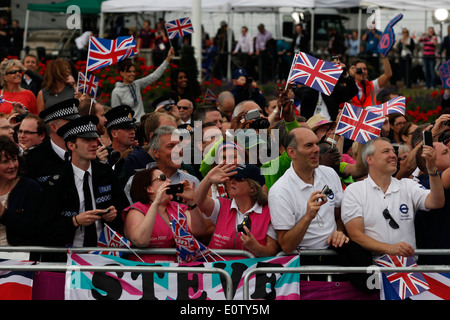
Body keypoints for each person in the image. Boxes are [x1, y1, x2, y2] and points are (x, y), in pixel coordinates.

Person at [38, 115, 126, 262]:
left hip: (104, 257)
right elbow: (45, 229)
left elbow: (123, 209)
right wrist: (74, 221)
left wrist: (113, 216)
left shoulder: (106, 173)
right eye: (87, 140)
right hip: (67, 258)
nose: (94, 144)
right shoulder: (56, 181)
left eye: (95, 139)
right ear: (71, 146)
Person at [341, 137, 445, 258]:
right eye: (386, 151)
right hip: (374, 270)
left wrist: (432, 169)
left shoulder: (407, 185)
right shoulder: (354, 191)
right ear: (370, 159)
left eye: (393, 152)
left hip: (407, 269)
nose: (393, 155)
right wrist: (390, 249)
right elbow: (356, 235)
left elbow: (437, 202)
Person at [268, 126, 348, 256]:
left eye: (316, 144)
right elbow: (287, 246)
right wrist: (308, 217)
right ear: (292, 152)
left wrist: (339, 231)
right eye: (309, 145)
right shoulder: (279, 191)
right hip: (304, 259)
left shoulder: (329, 173)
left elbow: (339, 215)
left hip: (336, 250)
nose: (317, 149)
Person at [195, 163, 279, 258]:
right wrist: (208, 179)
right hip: (217, 270)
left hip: (250, 271)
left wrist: (255, 247)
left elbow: (272, 250)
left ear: (252, 187)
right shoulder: (222, 205)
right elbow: (198, 201)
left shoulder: (269, 212)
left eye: (238, 179)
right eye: (231, 178)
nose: (232, 181)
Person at [123, 166, 204, 263]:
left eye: (168, 178)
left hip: (178, 269)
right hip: (146, 270)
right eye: (162, 178)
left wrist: (192, 202)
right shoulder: (138, 209)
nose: (169, 181)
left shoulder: (177, 207)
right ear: (149, 188)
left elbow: (199, 231)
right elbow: (140, 240)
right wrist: (156, 203)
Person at [23, 98, 80, 185]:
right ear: (54, 127)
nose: (76, 126)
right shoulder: (32, 159)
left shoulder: (83, 151)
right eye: (70, 122)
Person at [111, 47, 174, 122]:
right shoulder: (116, 92)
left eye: (134, 71)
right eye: (129, 71)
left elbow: (154, 76)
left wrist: (168, 59)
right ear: (121, 73)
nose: (132, 74)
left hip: (142, 122)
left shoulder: (136, 84)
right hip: (128, 126)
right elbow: (116, 114)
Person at [0, 136, 41, 248]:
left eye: (14, 159)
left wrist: (3, 213)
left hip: (18, 257)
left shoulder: (29, 187)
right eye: (5, 162)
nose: (12, 166)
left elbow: (32, 228)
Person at [415, 141, 450, 264]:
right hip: (437, 265)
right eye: (445, 152)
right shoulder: (424, 184)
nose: (449, 152)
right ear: (430, 160)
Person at [293, 58, 358, 121]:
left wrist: (345, 74)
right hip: (310, 127)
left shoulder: (334, 89)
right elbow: (297, 92)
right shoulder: (306, 90)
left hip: (329, 126)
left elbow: (352, 91)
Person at [104, 105, 151, 185]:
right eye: (127, 129)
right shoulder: (104, 158)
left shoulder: (139, 155)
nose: (133, 132)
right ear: (114, 133)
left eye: (133, 128)